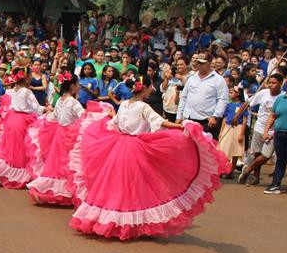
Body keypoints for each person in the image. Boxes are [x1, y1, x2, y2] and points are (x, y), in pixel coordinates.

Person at [69, 79, 230, 240]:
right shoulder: (143, 107)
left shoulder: (124, 104)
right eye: (150, 87)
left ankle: (107, 220)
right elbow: (160, 123)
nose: (151, 90)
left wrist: (112, 116)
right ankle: (125, 223)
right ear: (144, 89)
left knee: (115, 185)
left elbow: (114, 123)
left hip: (118, 145)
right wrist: (180, 127)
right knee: (134, 186)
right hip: (136, 148)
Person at [27, 72, 88, 206]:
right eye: (78, 85)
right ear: (72, 86)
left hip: (59, 133)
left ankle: (45, 190)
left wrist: (44, 118)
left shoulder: (60, 100)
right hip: (69, 136)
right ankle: (61, 192)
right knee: (66, 165)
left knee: (56, 164)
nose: (79, 87)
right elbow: (83, 117)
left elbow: (54, 117)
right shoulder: (73, 102)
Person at [0, 70, 41, 189]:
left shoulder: (14, 90)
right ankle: (9, 174)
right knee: (20, 150)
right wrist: (47, 109)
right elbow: (36, 108)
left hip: (12, 119)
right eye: (29, 76)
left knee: (11, 148)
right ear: (26, 78)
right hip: (23, 121)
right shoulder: (26, 91)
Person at [238, 73, 284, 186]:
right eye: (269, 83)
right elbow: (249, 103)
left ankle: (248, 169)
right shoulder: (263, 93)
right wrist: (237, 116)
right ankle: (256, 177)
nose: (271, 85)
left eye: (274, 83)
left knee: (266, 155)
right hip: (259, 126)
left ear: (281, 84)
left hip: (274, 130)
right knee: (257, 153)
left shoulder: (283, 97)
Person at [178, 54, 228, 136]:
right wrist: (179, 116)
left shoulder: (218, 80)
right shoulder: (192, 78)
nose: (199, 65)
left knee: (206, 146)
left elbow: (222, 99)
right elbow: (184, 97)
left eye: (202, 63)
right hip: (190, 118)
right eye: (198, 62)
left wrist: (215, 116)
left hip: (207, 121)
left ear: (209, 63)